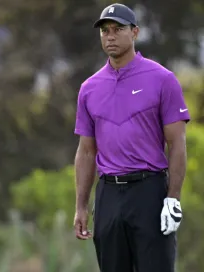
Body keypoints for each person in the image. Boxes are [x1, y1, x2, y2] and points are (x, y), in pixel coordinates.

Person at [73, 3, 190, 272]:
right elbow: (86, 151)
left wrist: (173, 198)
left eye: (118, 29)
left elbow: (177, 143)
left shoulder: (162, 79)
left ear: (135, 32)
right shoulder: (89, 88)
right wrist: (80, 206)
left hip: (149, 192)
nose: (110, 36)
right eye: (105, 31)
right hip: (109, 195)